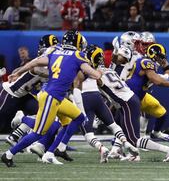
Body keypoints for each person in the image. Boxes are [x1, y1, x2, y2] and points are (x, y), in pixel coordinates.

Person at [1, 30, 102, 167]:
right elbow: (96, 75)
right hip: (51, 97)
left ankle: (51, 153)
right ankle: (8, 154)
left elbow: (33, 63)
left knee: (78, 117)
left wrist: (17, 72)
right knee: (38, 132)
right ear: (77, 42)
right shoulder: (78, 55)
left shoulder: (54, 51)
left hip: (54, 96)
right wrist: (100, 68)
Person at [108, 41, 169, 162]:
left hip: (131, 99)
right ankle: (127, 153)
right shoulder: (146, 62)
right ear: (154, 55)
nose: (163, 60)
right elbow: (155, 79)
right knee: (124, 128)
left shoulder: (148, 63)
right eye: (161, 56)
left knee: (131, 134)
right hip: (130, 97)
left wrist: (168, 81)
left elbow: (155, 79)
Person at [72, 45, 139, 163]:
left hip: (84, 97)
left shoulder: (80, 65)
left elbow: (75, 84)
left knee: (88, 134)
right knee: (113, 125)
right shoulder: (103, 69)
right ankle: (125, 142)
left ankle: (101, 148)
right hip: (98, 97)